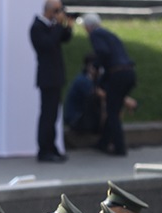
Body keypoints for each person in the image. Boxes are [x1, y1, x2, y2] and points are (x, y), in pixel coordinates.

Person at [82, 13, 136, 156]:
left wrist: (95, 66)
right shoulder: (110, 34)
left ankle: (119, 147)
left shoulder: (95, 34)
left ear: (87, 27)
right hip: (128, 72)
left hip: (117, 74)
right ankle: (104, 142)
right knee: (114, 108)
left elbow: (103, 52)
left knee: (112, 112)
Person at [31, 0, 73, 163]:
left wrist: (67, 26)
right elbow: (48, 44)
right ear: (50, 11)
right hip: (47, 78)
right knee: (47, 115)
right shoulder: (37, 27)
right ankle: (44, 150)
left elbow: (64, 38)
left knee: (54, 115)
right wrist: (58, 25)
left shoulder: (52, 27)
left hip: (55, 77)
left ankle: (52, 147)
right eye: (58, 10)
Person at [64, 54, 104, 137]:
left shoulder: (95, 80)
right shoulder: (82, 80)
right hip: (76, 119)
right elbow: (100, 94)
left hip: (84, 118)